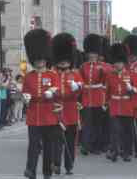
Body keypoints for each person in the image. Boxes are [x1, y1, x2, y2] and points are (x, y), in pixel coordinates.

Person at [23, 29, 61, 179]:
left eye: (41, 58)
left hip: (49, 116)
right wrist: (25, 97)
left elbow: (58, 90)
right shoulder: (28, 77)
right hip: (33, 116)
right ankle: (30, 170)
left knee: (48, 146)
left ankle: (47, 172)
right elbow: (26, 92)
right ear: (33, 60)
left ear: (46, 59)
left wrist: (52, 92)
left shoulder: (52, 75)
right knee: (33, 145)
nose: (39, 61)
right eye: (36, 59)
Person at [51, 33, 83, 176]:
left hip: (71, 112)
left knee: (70, 141)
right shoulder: (51, 74)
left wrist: (77, 87)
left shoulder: (75, 74)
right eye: (61, 60)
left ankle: (69, 165)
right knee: (56, 141)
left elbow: (82, 88)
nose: (63, 62)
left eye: (66, 59)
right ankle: (56, 163)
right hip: (56, 112)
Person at [105, 43, 137, 162]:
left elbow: (136, 90)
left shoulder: (130, 74)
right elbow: (107, 91)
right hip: (114, 106)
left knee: (126, 131)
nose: (117, 64)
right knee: (114, 130)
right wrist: (106, 103)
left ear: (123, 63)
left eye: (119, 62)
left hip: (127, 106)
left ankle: (126, 153)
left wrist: (131, 89)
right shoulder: (110, 75)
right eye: (115, 62)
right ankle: (114, 152)